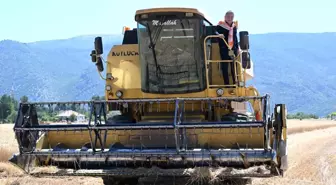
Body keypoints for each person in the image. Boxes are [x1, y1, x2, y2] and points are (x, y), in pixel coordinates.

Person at [216, 10, 239, 85]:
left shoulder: (234, 26)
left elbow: (235, 38)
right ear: (225, 17)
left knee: (234, 67)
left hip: (233, 49)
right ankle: (227, 84)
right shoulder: (220, 25)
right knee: (225, 67)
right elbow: (214, 31)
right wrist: (219, 35)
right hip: (224, 49)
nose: (230, 18)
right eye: (228, 16)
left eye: (231, 17)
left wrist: (237, 48)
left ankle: (235, 83)